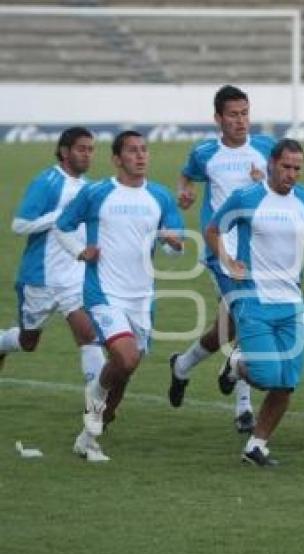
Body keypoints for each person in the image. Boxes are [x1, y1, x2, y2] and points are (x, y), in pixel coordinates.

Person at [209, 139, 304, 466]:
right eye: (286, 167)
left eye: (297, 168)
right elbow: (213, 229)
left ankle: (256, 445)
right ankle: (235, 365)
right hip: (253, 299)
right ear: (271, 164)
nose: (291, 174)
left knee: (287, 383)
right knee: (267, 376)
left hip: (291, 303)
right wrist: (227, 261)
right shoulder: (247, 198)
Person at [56, 130, 184, 462]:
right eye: (132, 151)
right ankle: (95, 393)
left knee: (126, 370)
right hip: (104, 292)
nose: (141, 156)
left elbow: (174, 243)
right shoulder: (97, 193)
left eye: (144, 150)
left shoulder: (161, 196)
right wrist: (80, 251)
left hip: (142, 296)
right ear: (116, 159)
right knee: (124, 358)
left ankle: (88, 437)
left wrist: (173, 242)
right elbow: (62, 225)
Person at [167, 85, 275, 433]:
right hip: (220, 248)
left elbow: (285, 185)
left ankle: (182, 365)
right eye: (233, 114)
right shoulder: (205, 153)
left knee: (225, 328)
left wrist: (267, 181)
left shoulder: (265, 149)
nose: (241, 120)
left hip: (258, 248)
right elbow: (187, 174)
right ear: (218, 118)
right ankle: (243, 408)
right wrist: (185, 190)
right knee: (247, 318)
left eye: (245, 113)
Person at [0, 127, 107, 459]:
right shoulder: (47, 182)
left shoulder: (89, 189)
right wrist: (57, 218)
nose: (87, 155)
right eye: (81, 149)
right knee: (28, 341)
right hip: (40, 278)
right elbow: (19, 224)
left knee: (89, 338)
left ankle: (93, 422)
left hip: (74, 278)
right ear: (64, 152)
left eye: (91, 149)